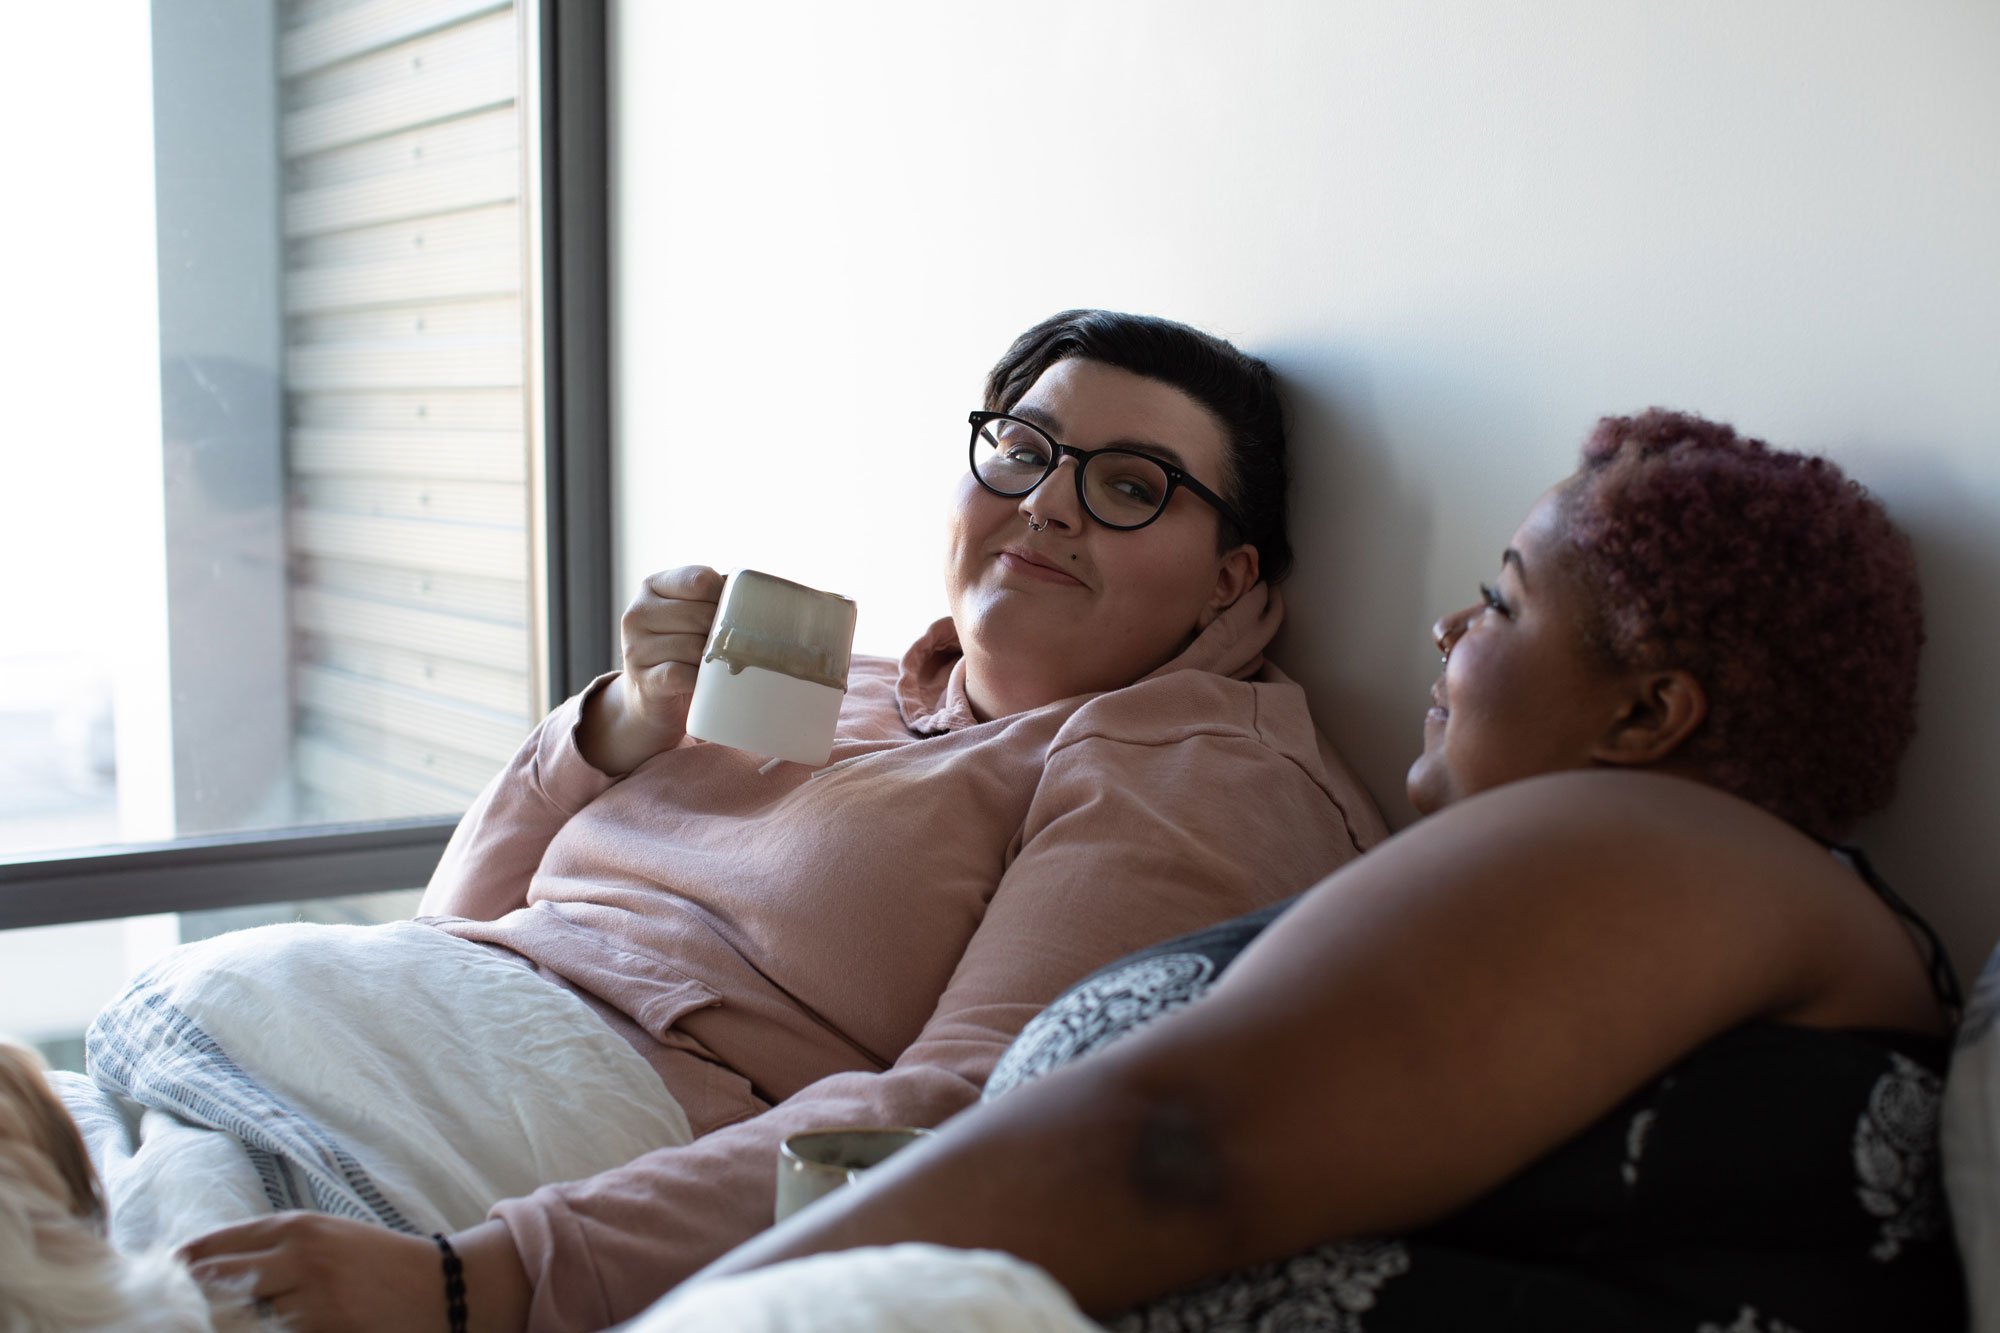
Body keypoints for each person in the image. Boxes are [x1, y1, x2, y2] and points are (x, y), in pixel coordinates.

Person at [175, 310, 1386, 1329]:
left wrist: (474, 1282)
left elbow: (969, 1116)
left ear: (1232, 577)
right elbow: (460, 929)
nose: (1049, 505)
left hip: (556, 1160)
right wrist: (621, 724)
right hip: (357, 1044)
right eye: (1022, 451)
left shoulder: (1191, 769)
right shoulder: (833, 678)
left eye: (1130, 486)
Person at [639, 408, 1965, 1332]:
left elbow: (1170, 1147)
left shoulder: (1669, 838)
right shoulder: (1667, 887)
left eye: (1502, 600)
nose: (1448, 626)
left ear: (1645, 719)